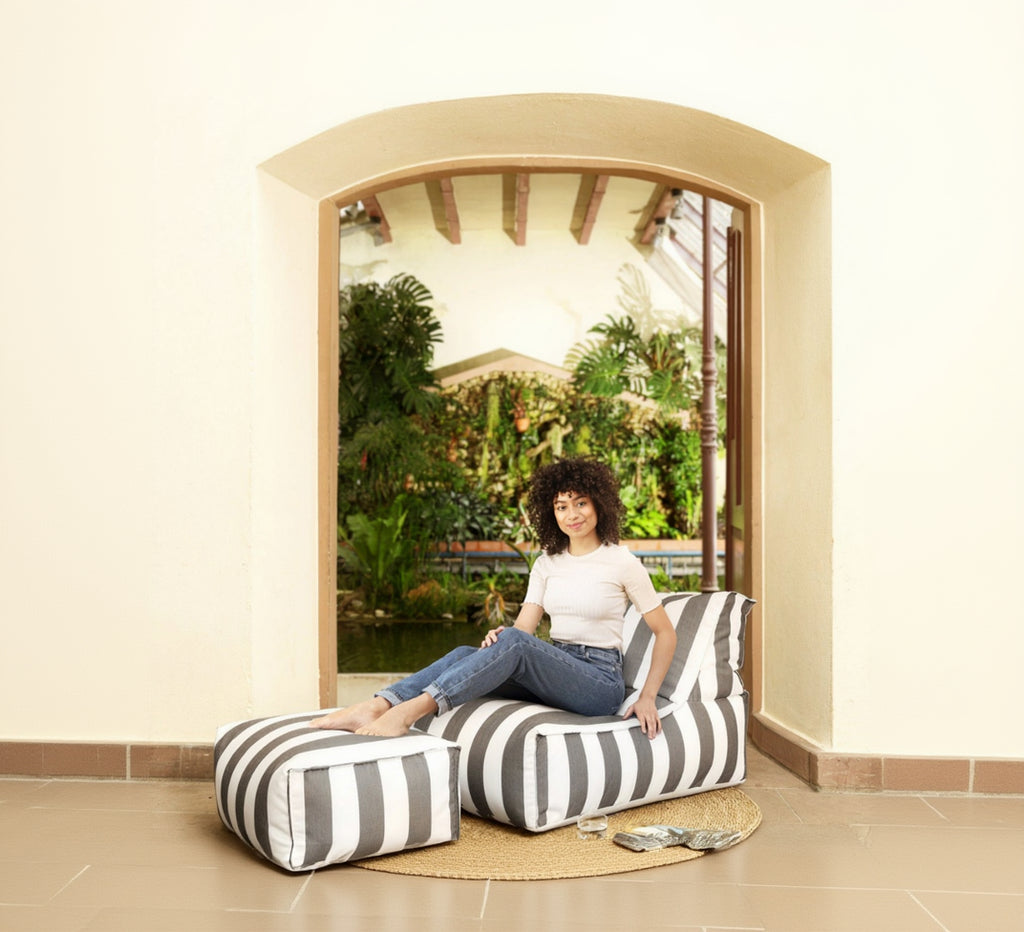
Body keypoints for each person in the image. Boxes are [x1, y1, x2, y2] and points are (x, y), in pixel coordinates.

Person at [311, 458, 677, 739]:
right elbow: (524, 630)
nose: (572, 515)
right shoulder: (547, 563)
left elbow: (665, 633)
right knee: (465, 654)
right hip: (556, 665)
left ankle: (408, 714)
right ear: (551, 514)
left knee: (510, 645)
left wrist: (647, 696)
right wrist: (498, 641)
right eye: (561, 507)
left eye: (580, 503)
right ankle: (378, 704)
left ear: (598, 504)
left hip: (597, 682)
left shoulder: (621, 561)